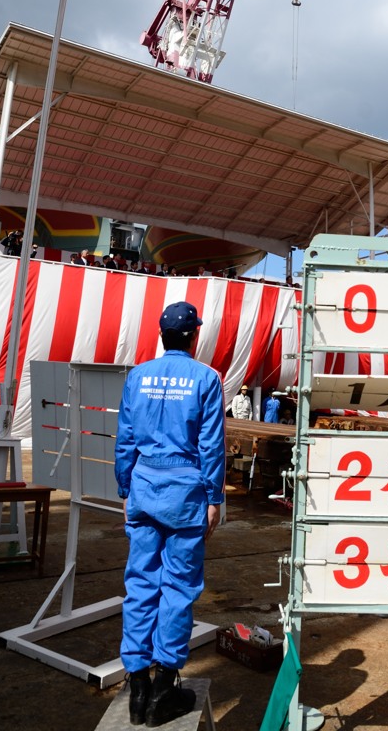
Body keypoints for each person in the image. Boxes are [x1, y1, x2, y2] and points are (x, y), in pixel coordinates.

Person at [115, 301, 226, 727]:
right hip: (186, 495)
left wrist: (125, 487)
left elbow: (124, 438)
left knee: (140, 584)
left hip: (143, 488)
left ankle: (137, 683)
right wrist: (214, 498)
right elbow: (211, 445)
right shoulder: (205, 379)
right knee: (178, 589)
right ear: (193, 335)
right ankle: (165, 683)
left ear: (162, 334)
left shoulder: (138, 376)